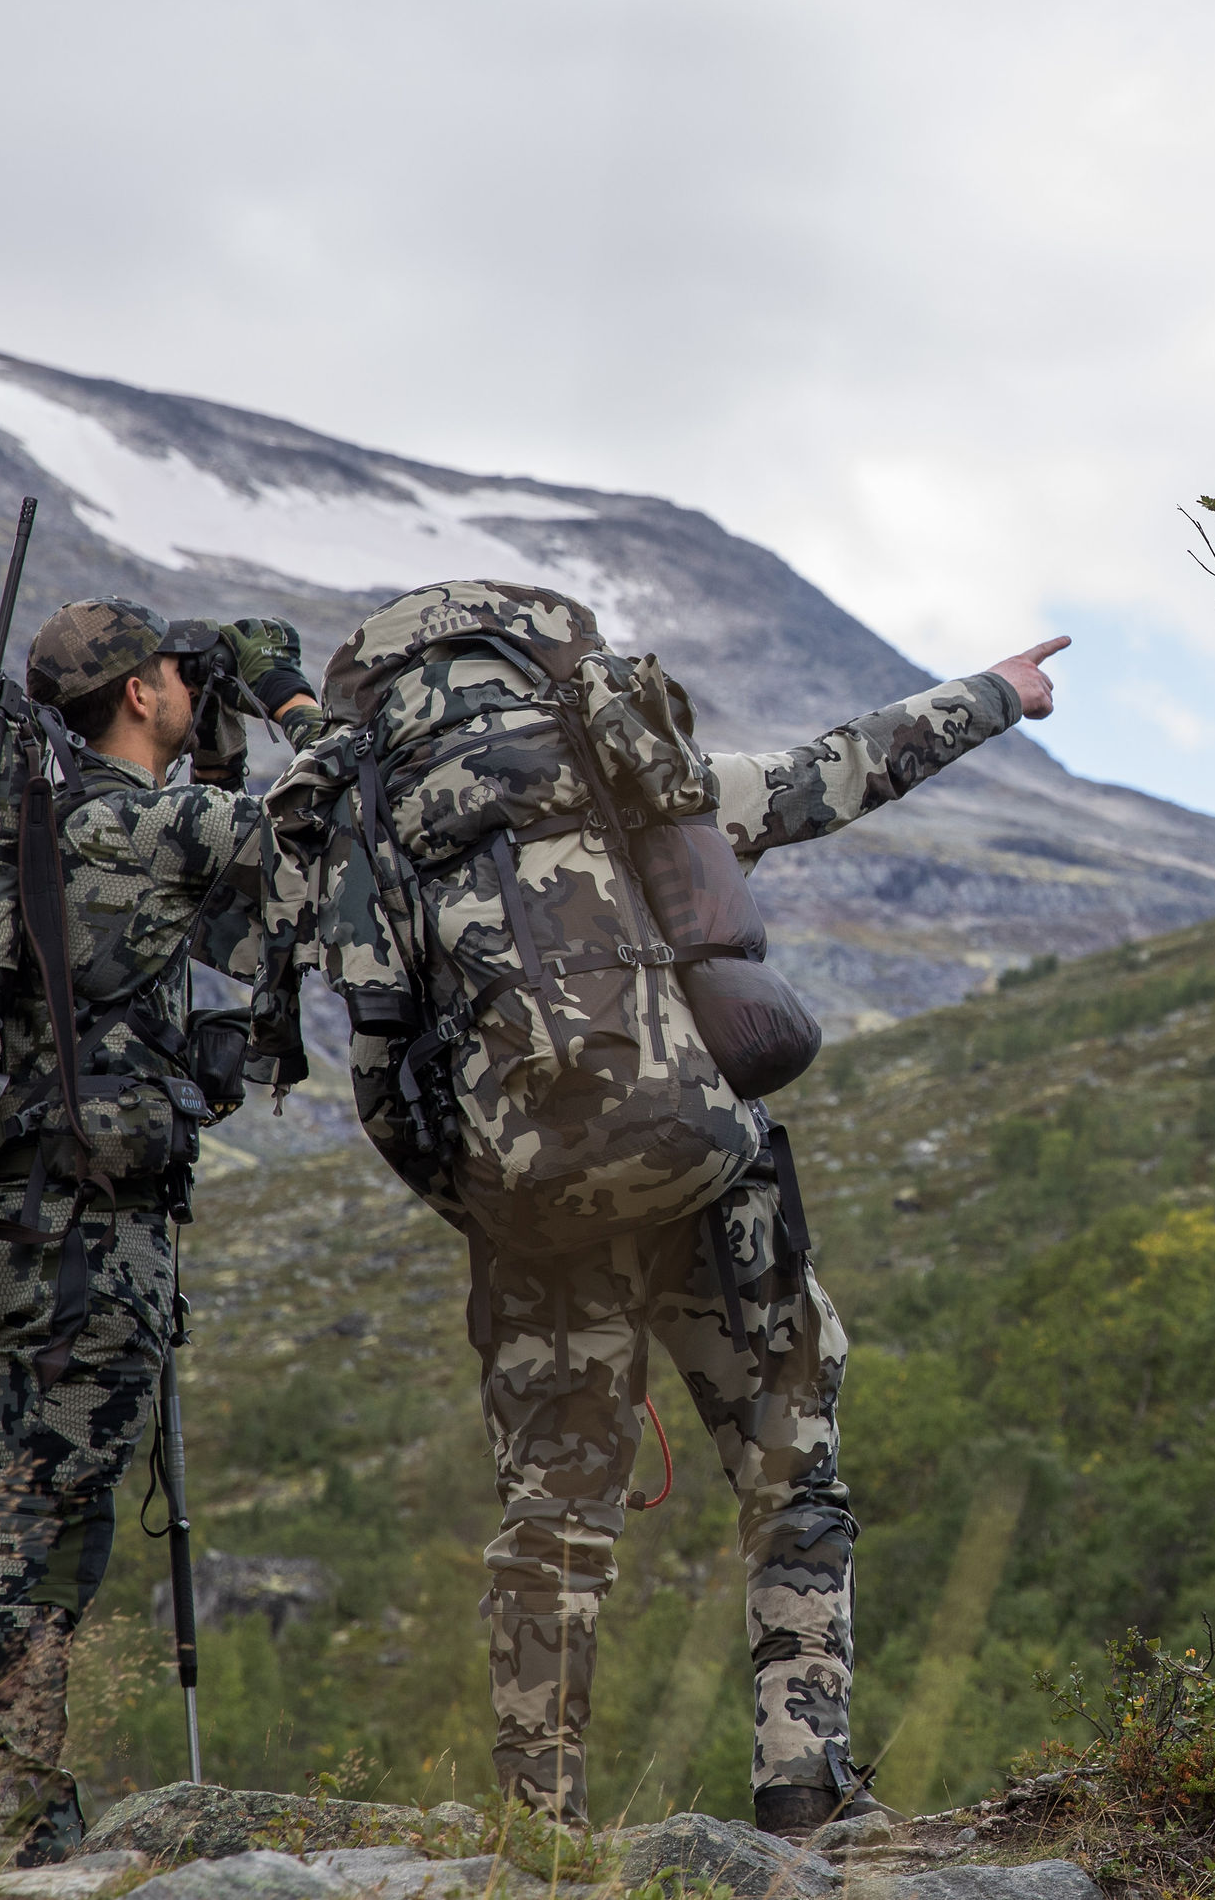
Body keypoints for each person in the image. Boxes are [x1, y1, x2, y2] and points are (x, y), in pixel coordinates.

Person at [423, 620, 1069, 1834]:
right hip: (712, 1178)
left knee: (556, 1521)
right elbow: (838, 771)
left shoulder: (413, 846)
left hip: (539, 1218)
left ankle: (536, 1823)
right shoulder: (655, 795)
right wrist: (996, 693)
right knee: (794, 1486)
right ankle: (805, 1794)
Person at [0, 599, 325, 1863]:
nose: (186, 683)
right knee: (51, 1521)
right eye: (174, 673)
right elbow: (320, 827)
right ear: (141, 694)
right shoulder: (151, 823)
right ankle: (20, 1818)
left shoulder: (36, 821)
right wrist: (290, 705)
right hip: (87, 1241)